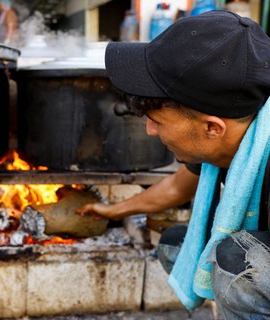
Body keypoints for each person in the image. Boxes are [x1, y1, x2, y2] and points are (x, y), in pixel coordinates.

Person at [77, 10, 270, 319]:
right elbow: (176, 187)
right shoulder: (232, 138)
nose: (150, 131)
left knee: (236, 266)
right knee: (175, 245)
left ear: (212, 128)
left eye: (156, 122)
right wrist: (112, 211)